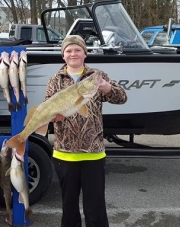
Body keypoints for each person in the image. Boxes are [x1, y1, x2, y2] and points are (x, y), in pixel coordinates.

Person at [46, 34, 127, 227]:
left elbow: (122, 97)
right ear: (63, 56)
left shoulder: (97, 77)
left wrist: (107, 89)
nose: (73, 53)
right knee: (69, 208)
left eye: (77, 50)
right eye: (68, 50)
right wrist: (53, 117)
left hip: (93, 154)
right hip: (65, 155)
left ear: (85, 53)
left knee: (96, 208)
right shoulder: (55, 80)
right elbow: (46, 107)